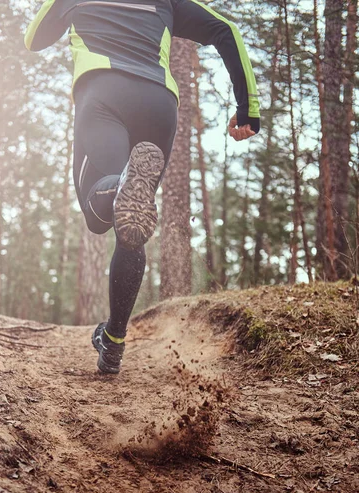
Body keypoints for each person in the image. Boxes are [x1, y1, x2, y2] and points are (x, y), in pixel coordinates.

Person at [25, 0, 260, 374]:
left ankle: (119, 185)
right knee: (132, 224)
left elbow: (34, 39)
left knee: (98, 213)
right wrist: (249, 108)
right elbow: (225, 30)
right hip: (159, 104)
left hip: (104, 93)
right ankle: (114, 339)